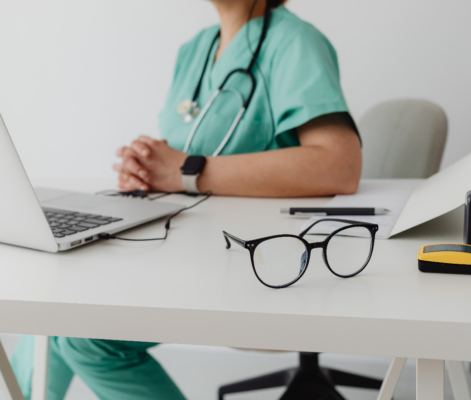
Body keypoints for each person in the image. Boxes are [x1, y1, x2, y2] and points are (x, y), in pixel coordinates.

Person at [11, 0, 361, 399]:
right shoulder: (195, 49)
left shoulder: (296, 42)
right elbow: (186, 157)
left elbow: (339, 167)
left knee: (87, 338)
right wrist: (148, 171)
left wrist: (184, 170)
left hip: (257, 261)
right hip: (191, 247)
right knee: (63, 308)